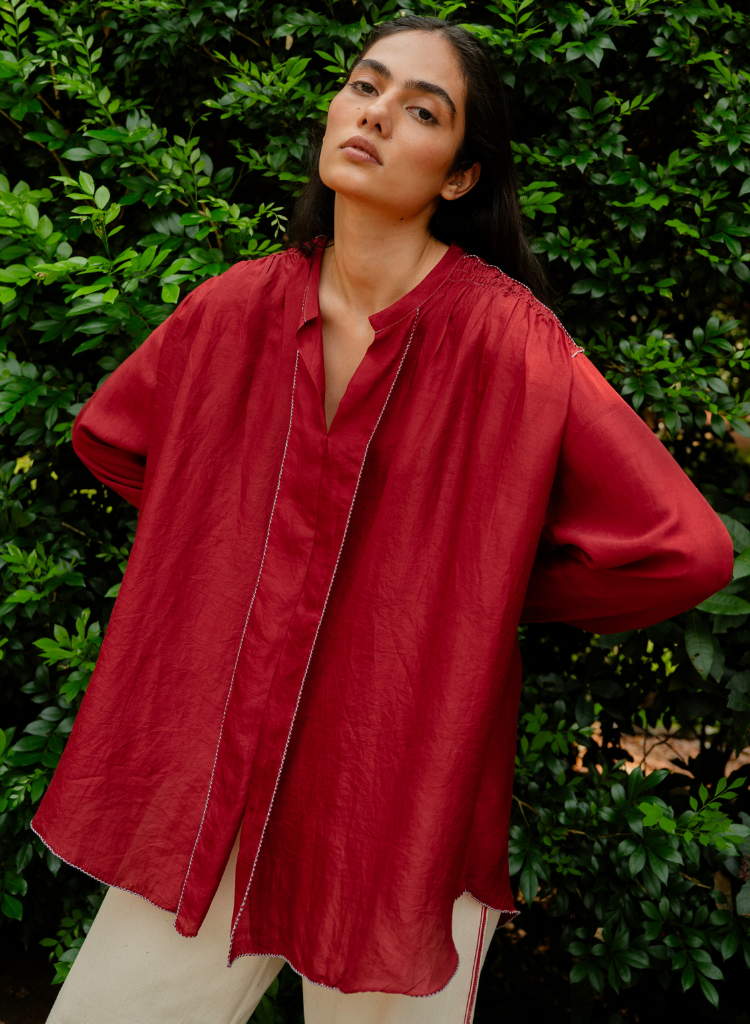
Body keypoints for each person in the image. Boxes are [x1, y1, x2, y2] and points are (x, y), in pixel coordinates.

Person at [34, 14, 733, 1024]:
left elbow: (687, 549)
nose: (374, 114)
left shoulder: (512, 346)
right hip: (214, 789)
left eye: (421, 111)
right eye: (365, 87)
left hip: (398, 798)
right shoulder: (232, 311)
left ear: (460, 175)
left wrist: (476, 594)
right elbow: (110, 436)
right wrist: (231, 534)